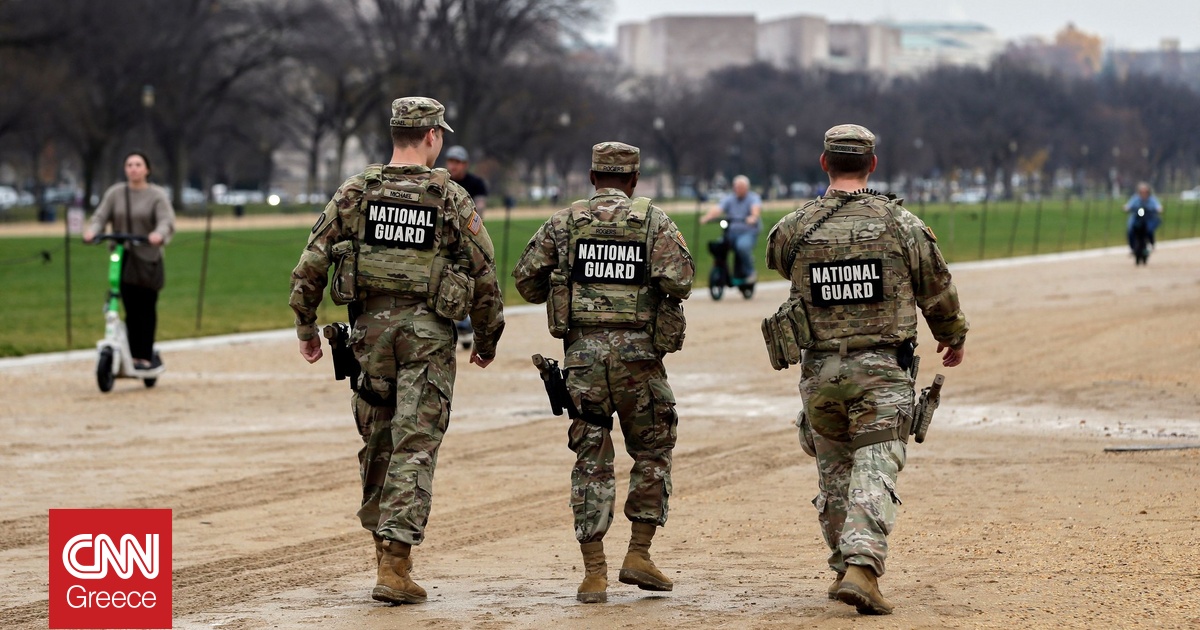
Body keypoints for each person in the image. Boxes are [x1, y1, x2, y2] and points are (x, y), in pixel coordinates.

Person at [289, 96, 504, 605]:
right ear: (431, 137)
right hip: (427, 337)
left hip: (369, 335)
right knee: (415, 442)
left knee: (378, 440)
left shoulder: (356, 191)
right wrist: (488, 338)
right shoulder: (449, 197)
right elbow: (483, 274)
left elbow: (310, 264)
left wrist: (306, 327)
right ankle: (396, 562)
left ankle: (382, 553)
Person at [765, 124, 969, 615]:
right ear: (873, 164)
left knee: (834, 471)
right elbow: (935, 287)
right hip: (880, 369)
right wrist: (952, 335)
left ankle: (843, 565)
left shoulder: (793, 228)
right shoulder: (901, 224)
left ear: (824, 163)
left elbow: (778, 261)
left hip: (819, 374)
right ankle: (861, 567)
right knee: (875, 467)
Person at [512, 142, 694, 604]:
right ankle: (638, 553)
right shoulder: (653, 222)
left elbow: (526, 281)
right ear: (633, 181)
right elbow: (681, 281)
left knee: (590, 460)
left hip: (583, 362)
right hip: (639, 361)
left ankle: (594, 573)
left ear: (593, 178)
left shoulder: (563, 223)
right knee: (652, 450)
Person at [83, 151, 176, 370]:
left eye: (138, 164)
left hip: (148, 259)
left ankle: (144, 355)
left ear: (147, 169)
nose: (133, 168)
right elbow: (100, 217)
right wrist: (92, 231)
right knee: (129, 307)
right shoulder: (115, 193)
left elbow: (166, 221)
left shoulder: (156, 195)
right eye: (129, 164)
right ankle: (131, 352)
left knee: (146, 307)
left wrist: (158, 235)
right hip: (122, 257)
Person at [444, 145, 489, 348]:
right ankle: (458, 324)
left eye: (457, 162)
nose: (453, 166)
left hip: (468, 240)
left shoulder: (476, 184)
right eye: (451, 161)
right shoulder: (442, 182)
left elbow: (478, 214)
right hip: (447, 241)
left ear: (465, 164)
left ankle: (464, 323)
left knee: (468, 283)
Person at [701, 174, 762, 284]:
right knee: (719, 246)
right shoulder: (730, 198)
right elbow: (718, 208)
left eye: (740, 187)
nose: (737, 190)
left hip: (747, 232)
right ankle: (720, 269)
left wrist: (753, 217)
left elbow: (755, 210)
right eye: (736, 187)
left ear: (746, 188)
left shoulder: (753, 198)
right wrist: (707, 217)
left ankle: (750, 272)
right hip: (731, 232)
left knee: (742, 247)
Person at [1123, 182, 1163, 252]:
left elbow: (1158, 206)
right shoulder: (1135, 199)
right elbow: (1129, 205)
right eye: (1142, 192)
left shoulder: (1152, 199)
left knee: (1149, 230)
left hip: (1149, 217)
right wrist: (1126, 208)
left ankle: (1151, 243)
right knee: (1130, 231)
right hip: (1137, 217)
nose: (1144, 193)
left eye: (1145, 192)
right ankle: (1132, 248)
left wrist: (1159, 209)